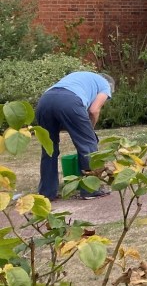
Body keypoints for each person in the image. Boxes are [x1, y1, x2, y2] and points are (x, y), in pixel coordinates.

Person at [35, 71, 114, 200]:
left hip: (45, 101)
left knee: (49, 148)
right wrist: (89, 131)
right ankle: (90, 189)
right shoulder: (105, 85)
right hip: (69, 101)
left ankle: (47, 193)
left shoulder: (81, 76)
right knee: (88, 145)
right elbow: (94, 110)